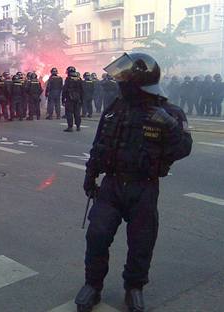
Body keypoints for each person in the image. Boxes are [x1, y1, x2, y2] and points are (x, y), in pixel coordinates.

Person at [76, 53, 192, 312]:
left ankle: (134, 287)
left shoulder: (168, 111)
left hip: (144, 187)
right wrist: (90, 173)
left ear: (138, 82)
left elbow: (184, 148)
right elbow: (100, 143)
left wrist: (171, 127)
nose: (120, 83)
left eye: (125, 79)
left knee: (141, 242)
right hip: (111, 185)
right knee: (97, 235)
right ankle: (93, 285)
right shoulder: (116, 107)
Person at [62, 66, 83, 132]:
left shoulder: (68, 79)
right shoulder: (79, 79)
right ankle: (78, 126)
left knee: (69, 113)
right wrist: (81, 99)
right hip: (78, 98)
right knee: (77, 113)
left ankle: (70, 127)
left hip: (69, 98)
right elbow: (82, 90)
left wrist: (63, 99)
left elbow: (65, 90)